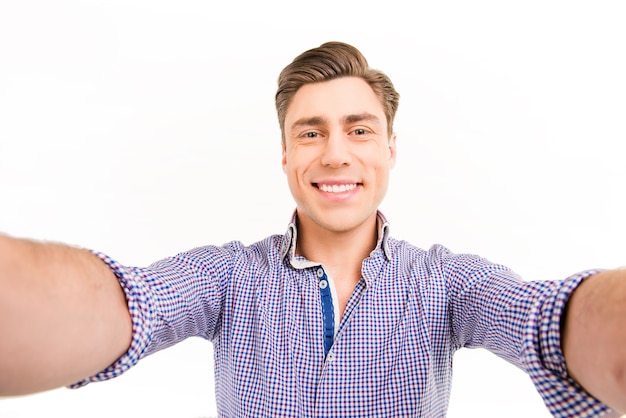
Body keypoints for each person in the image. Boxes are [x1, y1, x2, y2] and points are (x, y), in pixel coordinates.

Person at [0, 41, 624, 417]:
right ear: (286, 156)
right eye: (310, 132)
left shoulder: (450, 283)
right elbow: (127, 304)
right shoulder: (227, 277)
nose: (335, 154)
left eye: (359, 129)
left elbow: (547, 320)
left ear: (389, 150)